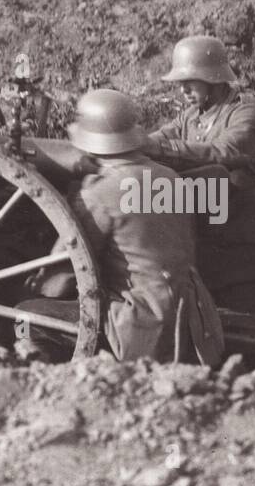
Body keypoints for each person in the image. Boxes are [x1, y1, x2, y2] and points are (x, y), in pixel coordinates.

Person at [17, 90, 223, 364]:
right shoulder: (171, 178)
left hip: (139, 325)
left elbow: (63, 278)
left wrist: (32, 286)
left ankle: (64, 380)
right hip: (193, 319)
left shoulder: (99, 194)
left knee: (25, 315)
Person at [143, 36, 255, 313]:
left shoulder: (245, 114)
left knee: (247, 332)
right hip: (205, 246)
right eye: (180, 83)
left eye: (190, 82)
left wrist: (160, 147)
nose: (182, 90)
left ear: (214, 78)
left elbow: (225, 152)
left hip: (244, 249)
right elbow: (158, 139)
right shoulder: (190, 116)